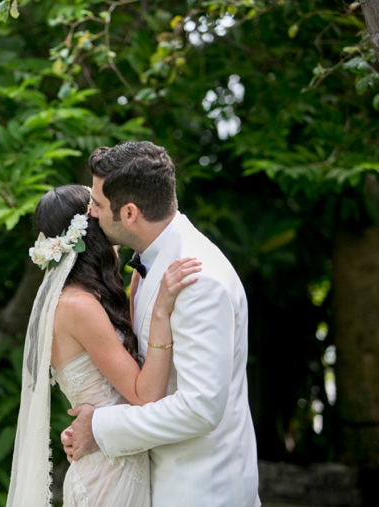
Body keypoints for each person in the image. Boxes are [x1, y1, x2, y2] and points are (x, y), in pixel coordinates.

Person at [63, 141, 260, 507]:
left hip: (200, 491)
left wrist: (101, 426)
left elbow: (199, 408)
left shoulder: (198, 280)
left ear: (130, 212)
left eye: (99, 206)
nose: (91, 214)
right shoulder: (149, 265)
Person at [6, 184, 201, 507]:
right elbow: (144, 395)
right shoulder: (78, 306)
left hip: (115, 461)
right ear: (90, 232)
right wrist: (161, 313)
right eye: (100, 211)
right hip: (110, 478)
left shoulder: (81, 299)